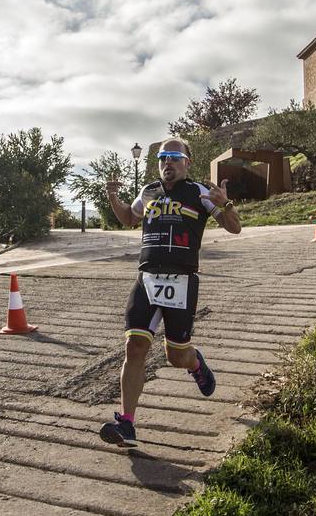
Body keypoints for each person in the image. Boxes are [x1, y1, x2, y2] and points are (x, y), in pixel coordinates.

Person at [98, 138, 242, 448]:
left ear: (187, 162)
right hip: (147, 278)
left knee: (176, 356)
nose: (168, 163)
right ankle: (127, 424)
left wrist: (225, 204)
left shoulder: (200, 192)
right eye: (163, 157)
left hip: (182, 280)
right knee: (135, 347)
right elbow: (128, 218)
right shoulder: (148, 191)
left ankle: (195, 364)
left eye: (175, 157)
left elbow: (234, 228)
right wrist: (112, 196)